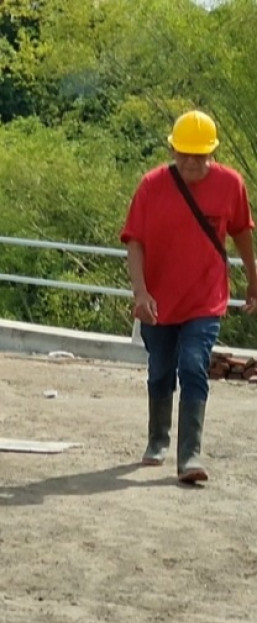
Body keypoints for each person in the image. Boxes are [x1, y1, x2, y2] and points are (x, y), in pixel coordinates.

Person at [121, 109, 256, 484]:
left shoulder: (231, 184)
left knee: (194, 364)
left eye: (199, 156)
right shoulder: (151, 186)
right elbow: (134, 241)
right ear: (173, 150)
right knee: (161, 369)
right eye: (183, 154)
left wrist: (253, 279)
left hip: (204, 298)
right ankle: (158, 439)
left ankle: (190, 455)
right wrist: (141, 292)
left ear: (212, 152)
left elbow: (242, 232)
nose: (191, 163)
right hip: (159, 300)